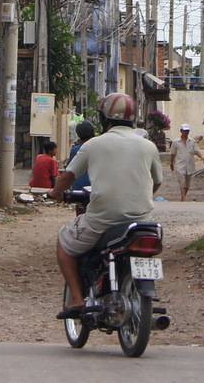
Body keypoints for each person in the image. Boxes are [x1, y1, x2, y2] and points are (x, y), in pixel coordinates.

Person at [50, 93, 162, 318]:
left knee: (64, 243)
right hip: (142, 221)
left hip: (103, 219)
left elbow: (68, 176)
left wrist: (56, 193)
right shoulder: (148, 146)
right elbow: (157, 182)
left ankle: (77, 299)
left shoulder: (93, 145)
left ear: (104, 118)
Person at [171, 124, 204, 202]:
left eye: (187, 131)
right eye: (184, 131)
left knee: (187, 185)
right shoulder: (176, 142)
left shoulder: (192, 141)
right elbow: (173, 153)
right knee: (182, 182)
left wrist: (201, 157)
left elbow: (196, 151)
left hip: (190, 165)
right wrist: (171, 163)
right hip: (180, 165)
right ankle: (184, 199)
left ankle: (183, 197)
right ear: (181, 131)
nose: (186, 132)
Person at [66, 121, 96, 191]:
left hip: (78, 187)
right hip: (93, 187)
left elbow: (70, 170)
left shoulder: (75, 149)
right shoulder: (97, 147)